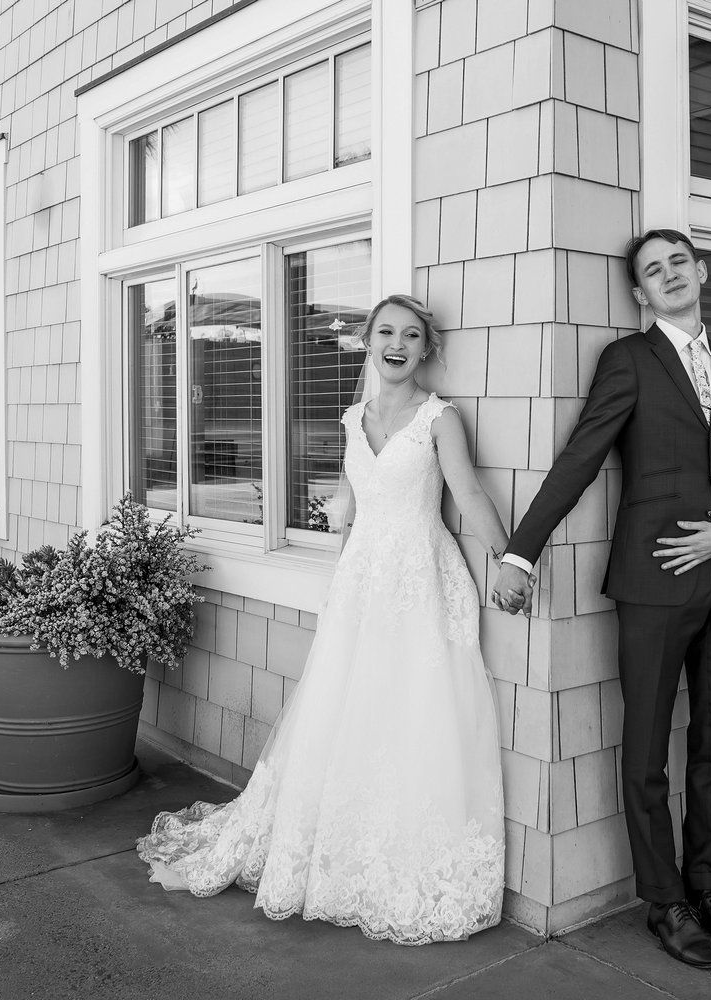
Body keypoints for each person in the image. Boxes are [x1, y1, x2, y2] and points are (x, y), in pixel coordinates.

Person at [138, 294, 509, 946]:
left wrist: (512, 560)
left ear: (428, 349)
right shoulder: (353, 418)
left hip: (420, 579)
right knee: (351, 710)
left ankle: (400, 854)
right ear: (368, 340)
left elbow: (469, 494)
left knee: (416, 713)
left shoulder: (439, 418)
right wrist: (342, 581)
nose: (398, 343)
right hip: (364, 582)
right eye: (386, 331)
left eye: (412, 335)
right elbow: (352, 509)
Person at [493, 229, 711, 970]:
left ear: (701, 271)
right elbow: (581, 457)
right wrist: (522, 551)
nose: (669, 276)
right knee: (648, 749)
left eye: (678, 263)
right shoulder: (627, 360)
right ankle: (667, 903)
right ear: (640, 293)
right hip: (653, 585)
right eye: (653, 271)